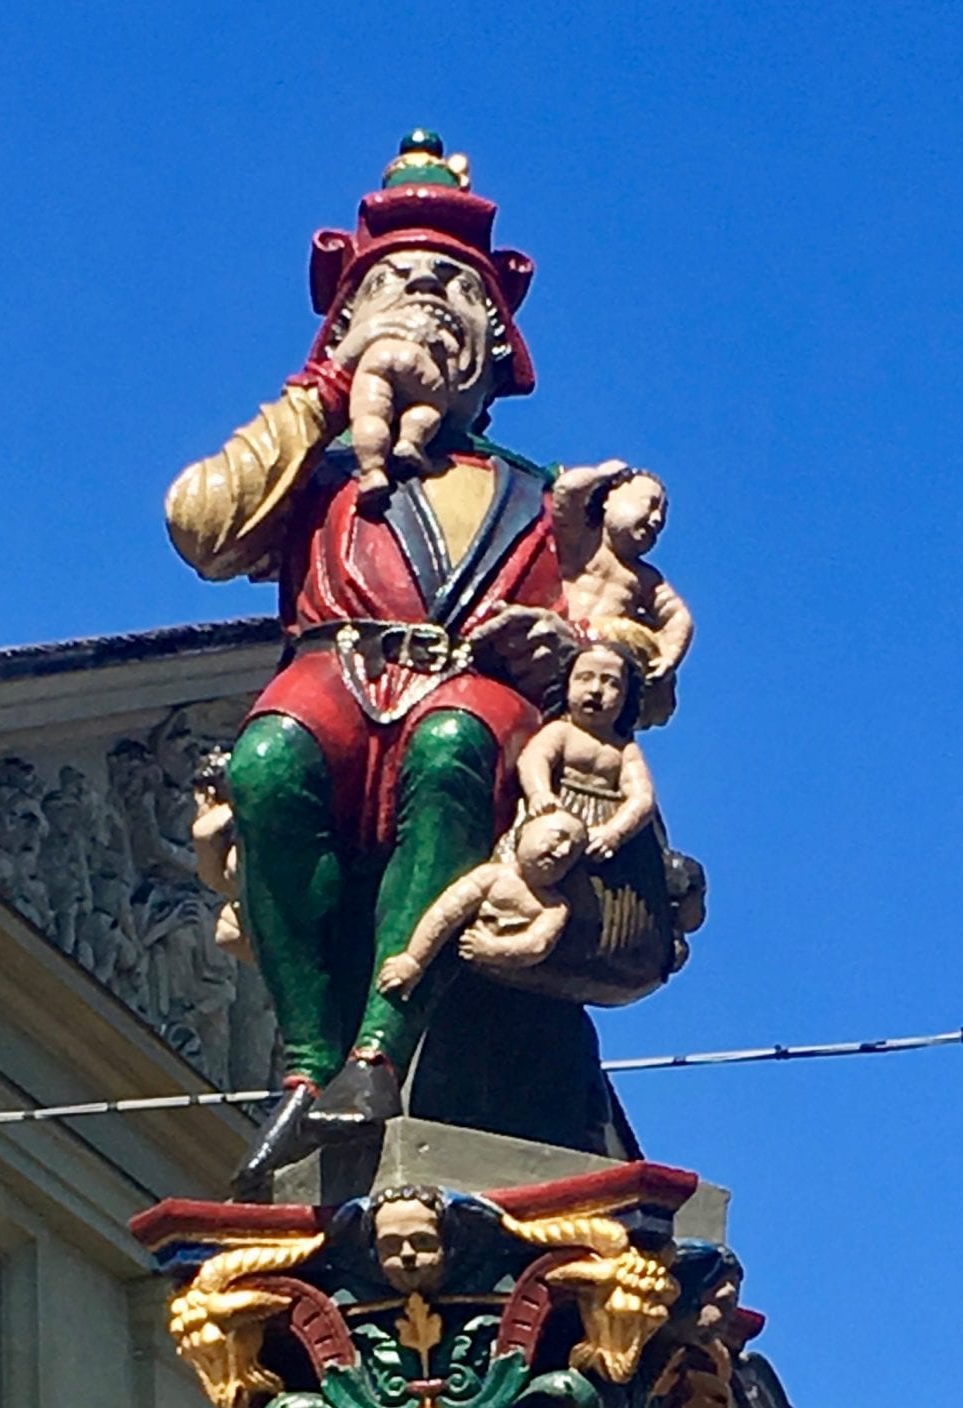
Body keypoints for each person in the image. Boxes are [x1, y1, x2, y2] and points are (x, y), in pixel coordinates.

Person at [165, 132, 607, 1196]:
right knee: (270, 759)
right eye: (397, 286)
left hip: (466, 688)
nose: (423, 306)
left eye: (451, 291)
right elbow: (200, 526)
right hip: (335, 670)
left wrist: (561, 648)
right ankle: (309, 1064)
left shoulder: (543, 496)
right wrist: (325, 387)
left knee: (454, 744)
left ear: (492, 345)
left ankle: (381, 1048)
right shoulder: (312, 475)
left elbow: (617, 652)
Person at [375, 808, 588, 999]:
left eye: (572, 854)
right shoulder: (491, 876)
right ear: (525, 832)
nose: (563, 851)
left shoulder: (554, 907)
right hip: (456, 961)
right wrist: (414, 959)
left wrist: (493, 949)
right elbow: (446, 912)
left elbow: (537, 944)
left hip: (507, 987)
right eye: (558, 837)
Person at [553, 465, 693, 728]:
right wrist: (603, 473)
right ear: (609, 498)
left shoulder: (643, 578)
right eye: (649, 505)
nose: (655, 520)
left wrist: (669, 658)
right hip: (556, 638)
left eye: (660, 521)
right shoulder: (580, 542)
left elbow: (677, 616)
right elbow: (565, 491)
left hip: (601, 657)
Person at [517, 643, 657, 863]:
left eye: (611, 683)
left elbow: (642, 797)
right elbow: (534, 759)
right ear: (567, 686)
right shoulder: (562, 731)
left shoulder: (624, 750)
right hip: (556, 816)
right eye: (584, 678)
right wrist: (539, 793)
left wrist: (615, 832)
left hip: (602, 832)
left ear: (626, 698)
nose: (596, 690)